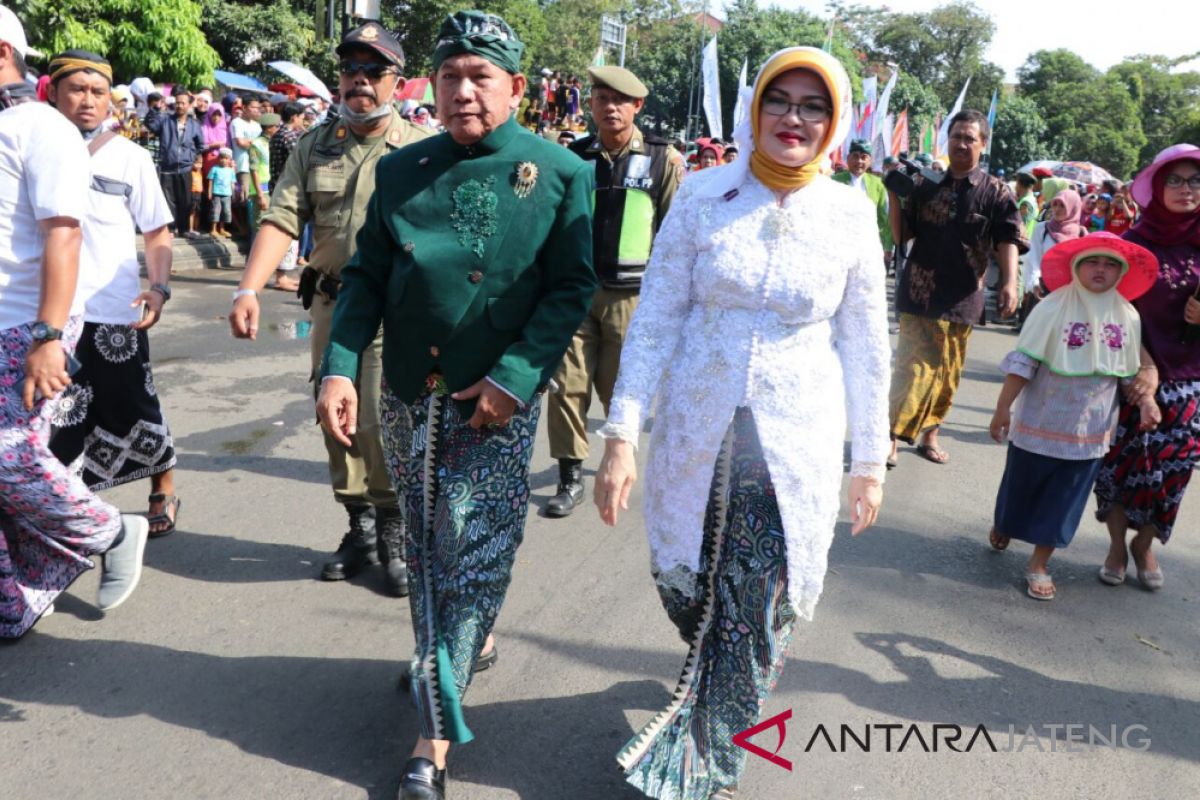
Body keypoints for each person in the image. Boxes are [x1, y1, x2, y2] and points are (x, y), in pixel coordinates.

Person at [595, 46, 889, 799]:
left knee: (760, 601)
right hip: (698, 429)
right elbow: (656, 320)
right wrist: (622, 436)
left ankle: (710, 761)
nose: (795, 117)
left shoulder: (850, 213)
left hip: (795, 441)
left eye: (814, 105)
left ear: (836, 120)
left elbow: (863, 344)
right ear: (754, 109)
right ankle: (713, 693)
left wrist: (869, 462)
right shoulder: (701, 195)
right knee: (687, 586)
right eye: (780, 100)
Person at [315, 13, 595, 798]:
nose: (464, 92)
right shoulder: (404, 170)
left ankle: (431, 741)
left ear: (517, 87)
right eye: (450, 76)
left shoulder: (560, 173)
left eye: (482, 76)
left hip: (494, 404)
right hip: (409, 393)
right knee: (435, 544)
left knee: (470, 550)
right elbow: (367, 277)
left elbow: (570, 288)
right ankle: (459, 644)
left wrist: (513, 379)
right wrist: (338, 370)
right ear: (429, 86)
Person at [229, 22, 432, 596]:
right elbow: (281, 217)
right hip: (331, 303)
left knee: (379, 416)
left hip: (396, 311)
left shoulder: (421, 149)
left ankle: (394, 526)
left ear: (396, 81)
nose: (360, 82)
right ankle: (359, 526)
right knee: (333, 414)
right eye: (350, 71)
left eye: (374, 72)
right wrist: (247, 288)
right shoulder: (315, 145)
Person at [0, 11, 149, 638]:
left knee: (10, 461)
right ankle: (15, 602)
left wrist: (48, 336)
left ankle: (114, 530)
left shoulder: (42, 127)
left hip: (22, 326)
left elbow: (64, 233)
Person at [44, 50, 182, 537]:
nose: (87, 100)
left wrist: (159, 288)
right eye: (77, 89)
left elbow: (158, 232)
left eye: (98, 91)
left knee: (133, 404)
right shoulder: (29, 150)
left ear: (110, 101)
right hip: (48, 314)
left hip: (112, 313)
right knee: (57, 414)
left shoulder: (130, 157)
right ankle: (67, 510)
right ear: (53, 92)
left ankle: (163, 483)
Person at [989, 233, 1160, 600]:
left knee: (1064, 499)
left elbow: (1128, 371)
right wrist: (1003, 408)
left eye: (1111, 264)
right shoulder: (1052, 307)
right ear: (1076, 267)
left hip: (1090, 432)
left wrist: (1147, 402)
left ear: (1122, 272)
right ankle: (1005, 522)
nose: (1101, 269)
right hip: (1041, 421)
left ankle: (1039, 563)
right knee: (1022, 485)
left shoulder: (1128, 316)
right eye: (1093, 262)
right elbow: (1024, 362)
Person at [544, 65, 683, 517]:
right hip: (575, 293)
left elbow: (675, 235)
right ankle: (568, 476)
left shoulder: (663, 159)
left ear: (637, 106)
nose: (610, 108)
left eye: (620, 100)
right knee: (567, 385)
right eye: (602, 98)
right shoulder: (575, 156)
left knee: (617, 387)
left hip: (631, 298)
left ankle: (618, 457)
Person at [886, 109, 1027, 467]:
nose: (961, 143)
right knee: (911, 369)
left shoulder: (995, 192)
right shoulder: (926, 183)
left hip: (963, 298)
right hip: (919, 293)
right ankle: (889, 437)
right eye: (956, 136)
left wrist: (1010, 282)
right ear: (946, 141)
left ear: (983, 144)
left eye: (969, 137)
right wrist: (892, 195)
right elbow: (902, 235)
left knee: (947, 374)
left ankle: (930, 436)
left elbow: (1008, 238)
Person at [1094, 144, 1200, 591]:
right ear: (1157, 187)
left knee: (1176, 470)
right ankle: (1119, 545)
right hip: (1131, 368)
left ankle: (1146, 543)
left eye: (1195, 180)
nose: (1186, 189)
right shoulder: (1133, 245)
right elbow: (1112, 309)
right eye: (1174, 180)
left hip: (1191, 377)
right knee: (1122, 463)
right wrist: (1144, 367)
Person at [144, 85, 204, 238]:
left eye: (183, 103)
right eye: (177, 102)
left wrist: (193, 157)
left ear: (189, 105)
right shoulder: (165, 120)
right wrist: (155, 109)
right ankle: (170, 229)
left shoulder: (194, 125)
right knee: (168, 200)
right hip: (167, 166)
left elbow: (201, 145)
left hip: (185, 167)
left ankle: (184, 229)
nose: (180, 105)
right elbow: (150, 125)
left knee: (186, 200)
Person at [1021, 189, 1084, 321]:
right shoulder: (1042, 229)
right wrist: (1035, 281)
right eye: (1055, 204)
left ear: (1073, 207)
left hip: (1069, 291)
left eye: (1062, 205)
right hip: (1043, 287)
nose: (1057, 209)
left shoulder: (1081, 234)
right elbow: (1034, 256)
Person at [833, 138, 893, 263]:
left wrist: (887, 246)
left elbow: (884, 218)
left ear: (870, 161)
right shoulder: (834, 181)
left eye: (864, 157)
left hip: (867, 244)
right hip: (839, 243)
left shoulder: (877, 184)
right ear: (848, 158)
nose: (859, 161)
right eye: (855, 156)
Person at [268, 103, 305, 292]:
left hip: (277, 186)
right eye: (301, 117)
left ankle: (282, 276)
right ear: (294, 117)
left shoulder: (277, 134)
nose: (303, 121)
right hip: (287, 189)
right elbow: (300, 162)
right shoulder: (289, 137)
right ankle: (281, 278)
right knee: (287, 234)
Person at [230, 95, 262, 234]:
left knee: (254, 196)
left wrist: (252, 143)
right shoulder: (236, 122)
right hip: (243, 164)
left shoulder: (257, 125)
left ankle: (250, 228)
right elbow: (241, 143)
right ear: (244, 108)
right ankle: (242, 228)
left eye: (258, 108)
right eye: (253, 107)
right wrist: (255, 143)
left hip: (258, 165)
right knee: (244, 196)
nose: (256, 110)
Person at [208, 147, 235, 237]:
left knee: (225, 211)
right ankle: (213, 229)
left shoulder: (231, 171)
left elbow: (232, 183)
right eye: (221, 158)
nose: (223, 160)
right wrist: (209, 192)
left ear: (230, 160)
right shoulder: (214, 169)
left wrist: (233, 193)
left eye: (226, 158)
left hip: (227, 194)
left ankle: (222, 229)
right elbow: (210, 181)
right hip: (216, 193)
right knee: (215, 211)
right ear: (218, 158)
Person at [1014, 171, 1039, 236]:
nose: (1015, 186)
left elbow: (1020, 225)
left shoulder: (1026, 203)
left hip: (1022, 240)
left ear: (1020, 185)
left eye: (1016, 183)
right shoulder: (1031, 199)